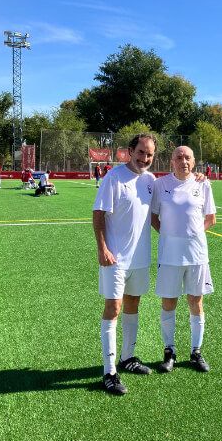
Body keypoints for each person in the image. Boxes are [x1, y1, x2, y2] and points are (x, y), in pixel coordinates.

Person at [92, 133, 158, 395]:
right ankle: (109, 372)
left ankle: (127, 357)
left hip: (140, 258)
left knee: (133, 304)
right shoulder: (114, 178)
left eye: (149, 154)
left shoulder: (151, 180)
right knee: (114, 307)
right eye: (141, 152)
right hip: (115, 258)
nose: (144, 158)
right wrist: (102, 248)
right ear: (130, 151)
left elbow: (154, 215)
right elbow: (98, 215)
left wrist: (197, 178)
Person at [150, 145, 216, 375]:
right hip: (169, 255)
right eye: (179, 157)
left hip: (197, 254)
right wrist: (170, 235)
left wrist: (194, 234)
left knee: (196, 303)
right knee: (169, 303)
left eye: (187, 157)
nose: (183, 161)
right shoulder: (161, 185)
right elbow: (154, 217)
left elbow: (211, 218)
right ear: (172, 161)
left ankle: (196, 352)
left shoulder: (202, 184)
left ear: (194, 161)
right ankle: (169, 351)